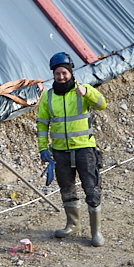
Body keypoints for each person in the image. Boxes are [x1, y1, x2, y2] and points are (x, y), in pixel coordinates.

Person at [37, 53, 108, 246]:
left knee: (92, 190)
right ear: (53, 74)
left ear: (71, 72)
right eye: (58, 73)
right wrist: (43, 148)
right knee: (66, 189)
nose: (61, 77)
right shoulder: (48, 97)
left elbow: (102, 104)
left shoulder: (83, 90)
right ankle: (72, 224)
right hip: (60, 152)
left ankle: (96, 232)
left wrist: (88, 93)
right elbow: (42, 124)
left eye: (64, 73)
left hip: (85, 149)